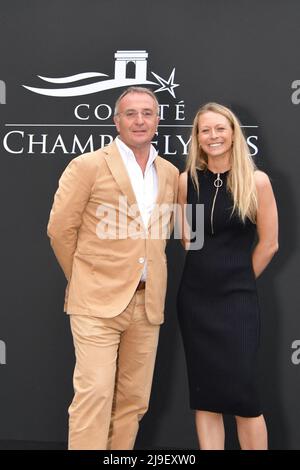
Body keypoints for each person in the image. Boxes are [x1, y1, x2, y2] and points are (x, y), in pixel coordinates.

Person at [47, 86, 179, 450]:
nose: (140, 120)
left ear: (157, 120)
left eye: (147, 113)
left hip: (147, 304)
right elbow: (60, 229)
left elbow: (161, 234)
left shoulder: (168, 172)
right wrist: (84, 278)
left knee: (134, 402)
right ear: (116, 120)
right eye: (131, 113)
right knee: (95, 397)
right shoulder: (88, 165)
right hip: (96, 303)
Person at [177, 102, 278, 450]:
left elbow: (269, 245)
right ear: (198, 137)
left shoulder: (257, 181)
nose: (213, 136)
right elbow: (188, 237)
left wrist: (237, 279)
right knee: (206, 396)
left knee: (243, 397)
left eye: (220, 128)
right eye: (205, 130)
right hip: (195, 300)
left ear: (234, 133)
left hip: (237, 301)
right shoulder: (186, 180)